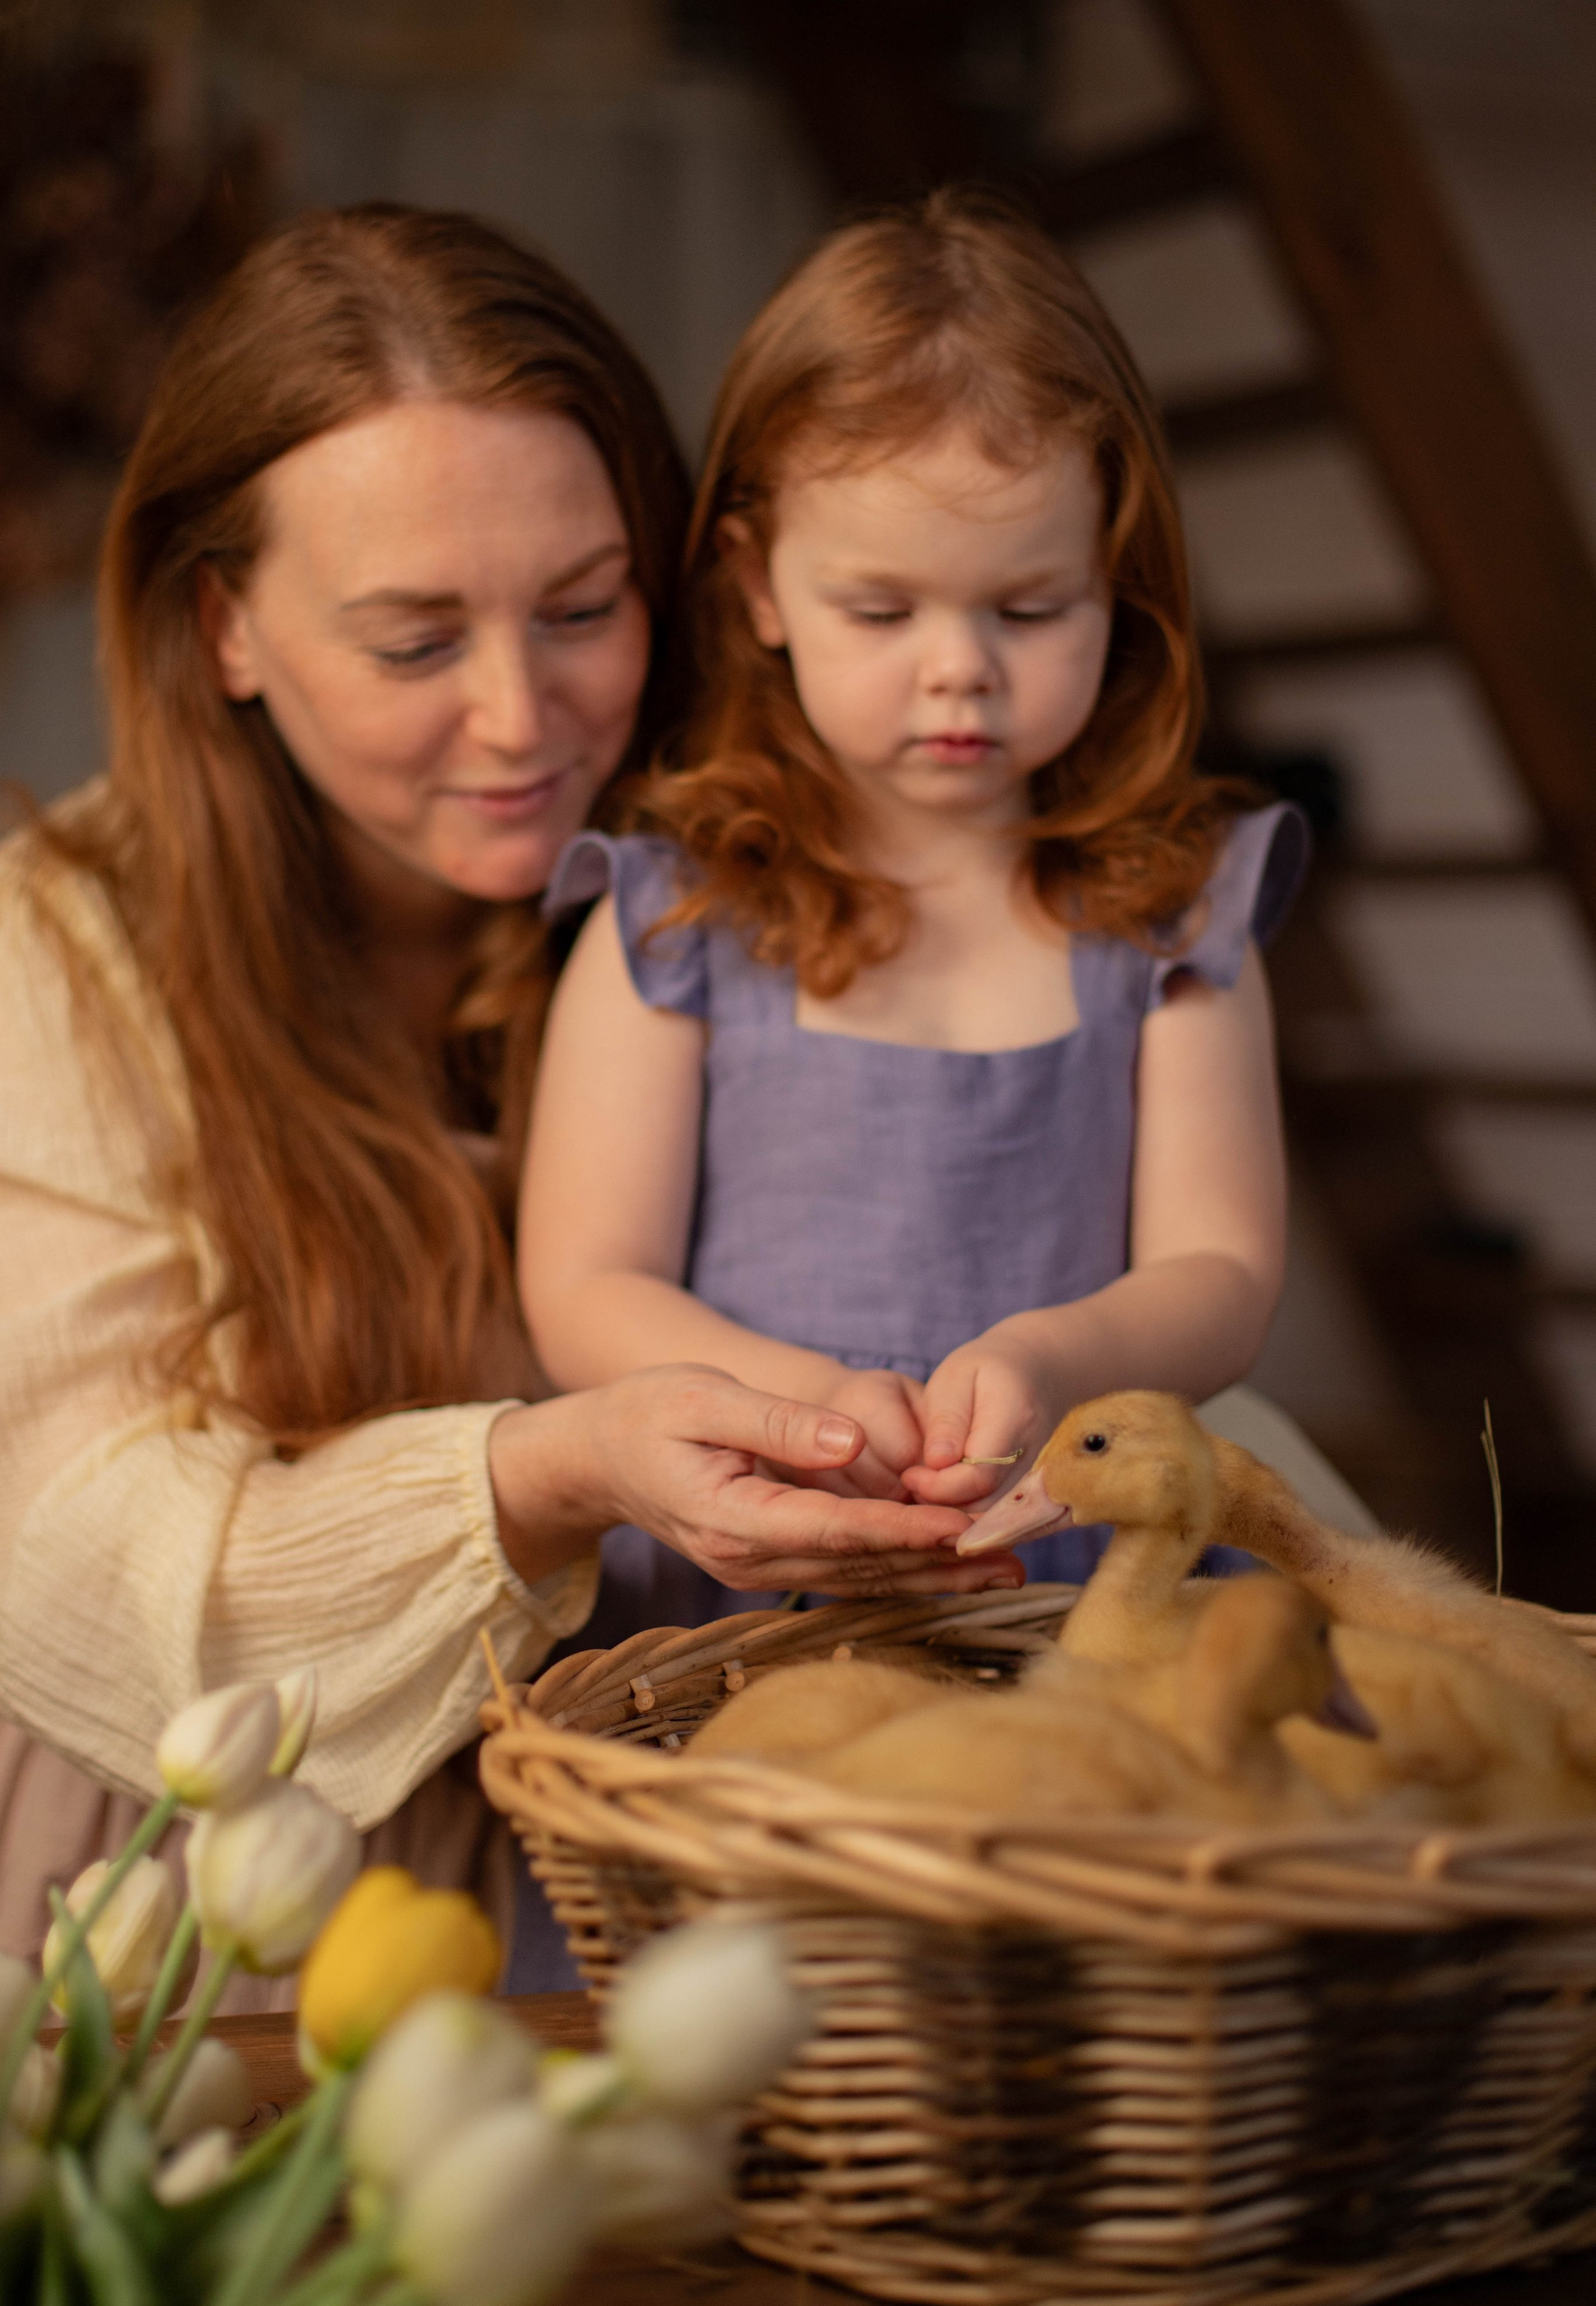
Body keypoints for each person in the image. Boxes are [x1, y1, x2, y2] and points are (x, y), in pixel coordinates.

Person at [0, 203, 1017, 1980]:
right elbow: (94, 1568)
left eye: (580, 608)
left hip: (671, 1852)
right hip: (209, 1898)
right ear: (224, 626)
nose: (520, 717)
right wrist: (553, 1469)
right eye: (413, 643)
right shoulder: (57, 957)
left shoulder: (740, 900)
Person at [519, 190, 1313, 1622]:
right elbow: (586, 1284)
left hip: (1071, 1583)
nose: (959, 670)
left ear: (1113, 578)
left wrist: (1054, 1362)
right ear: (759, 587)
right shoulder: (676, 918)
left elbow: (1223, 1269)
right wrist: (804, 1406)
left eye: (1029, 609)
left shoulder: (1170, 921)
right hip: (742, 1581)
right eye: (881, 612)